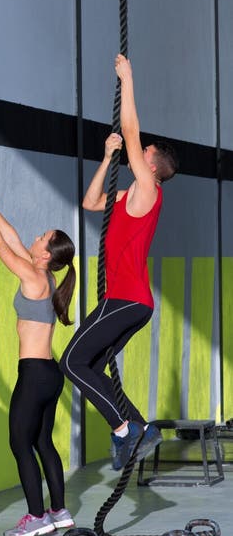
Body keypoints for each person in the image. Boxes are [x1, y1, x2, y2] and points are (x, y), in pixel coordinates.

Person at [61, 54, 178, 471]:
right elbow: (91, 202)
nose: (137, 149)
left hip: (125, 299)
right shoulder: (130, 196)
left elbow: (130, 128)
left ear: (151, 165)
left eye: (141, 151)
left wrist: (128, 78)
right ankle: (141, 428)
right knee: (91, 365)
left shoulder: (148, 188)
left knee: (71, 362)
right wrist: (107, 159)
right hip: (130, 301)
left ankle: (124, 430)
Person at [0, 179, 77, 536]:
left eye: (42, 236)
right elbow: (9, 237)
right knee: (42, 441)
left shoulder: (32, 275)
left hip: (34, 373)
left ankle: (36, 516)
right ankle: (59, 510)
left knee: (19, 442)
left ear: (45, 253)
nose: (36, 236)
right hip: (50, 373)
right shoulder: (45, 274)